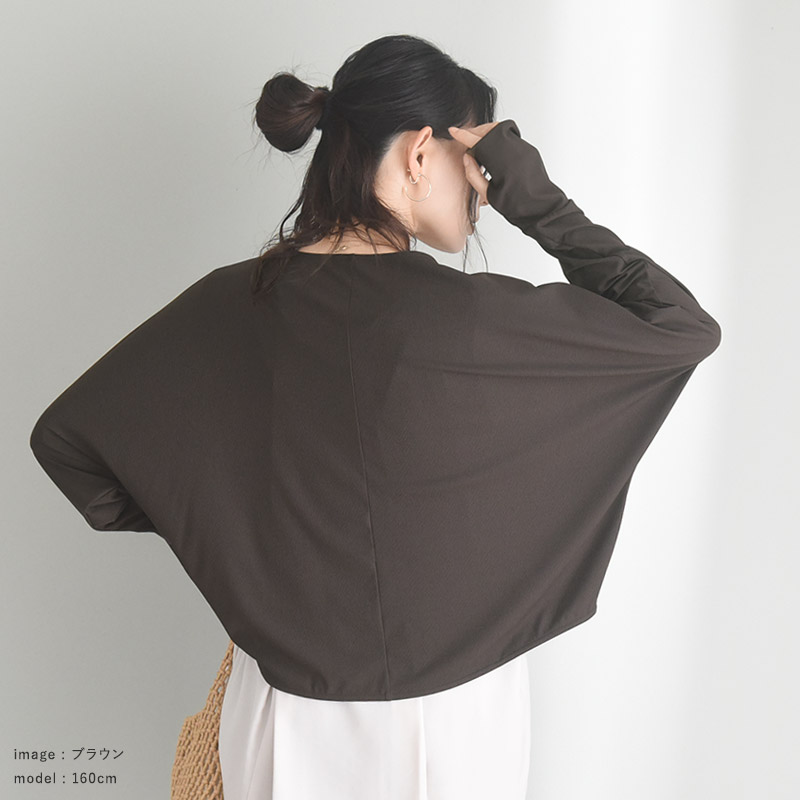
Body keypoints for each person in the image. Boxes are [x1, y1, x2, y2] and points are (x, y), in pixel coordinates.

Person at [29, 34, 721, 800]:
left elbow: (69, 443)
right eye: (476, 164)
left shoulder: (226, 308)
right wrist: (534, 195)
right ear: (421, 153)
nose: (482, 193)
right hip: (462, 717)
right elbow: (679, 328)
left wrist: (239, 540)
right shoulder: (477, 321)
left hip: (285, 714)